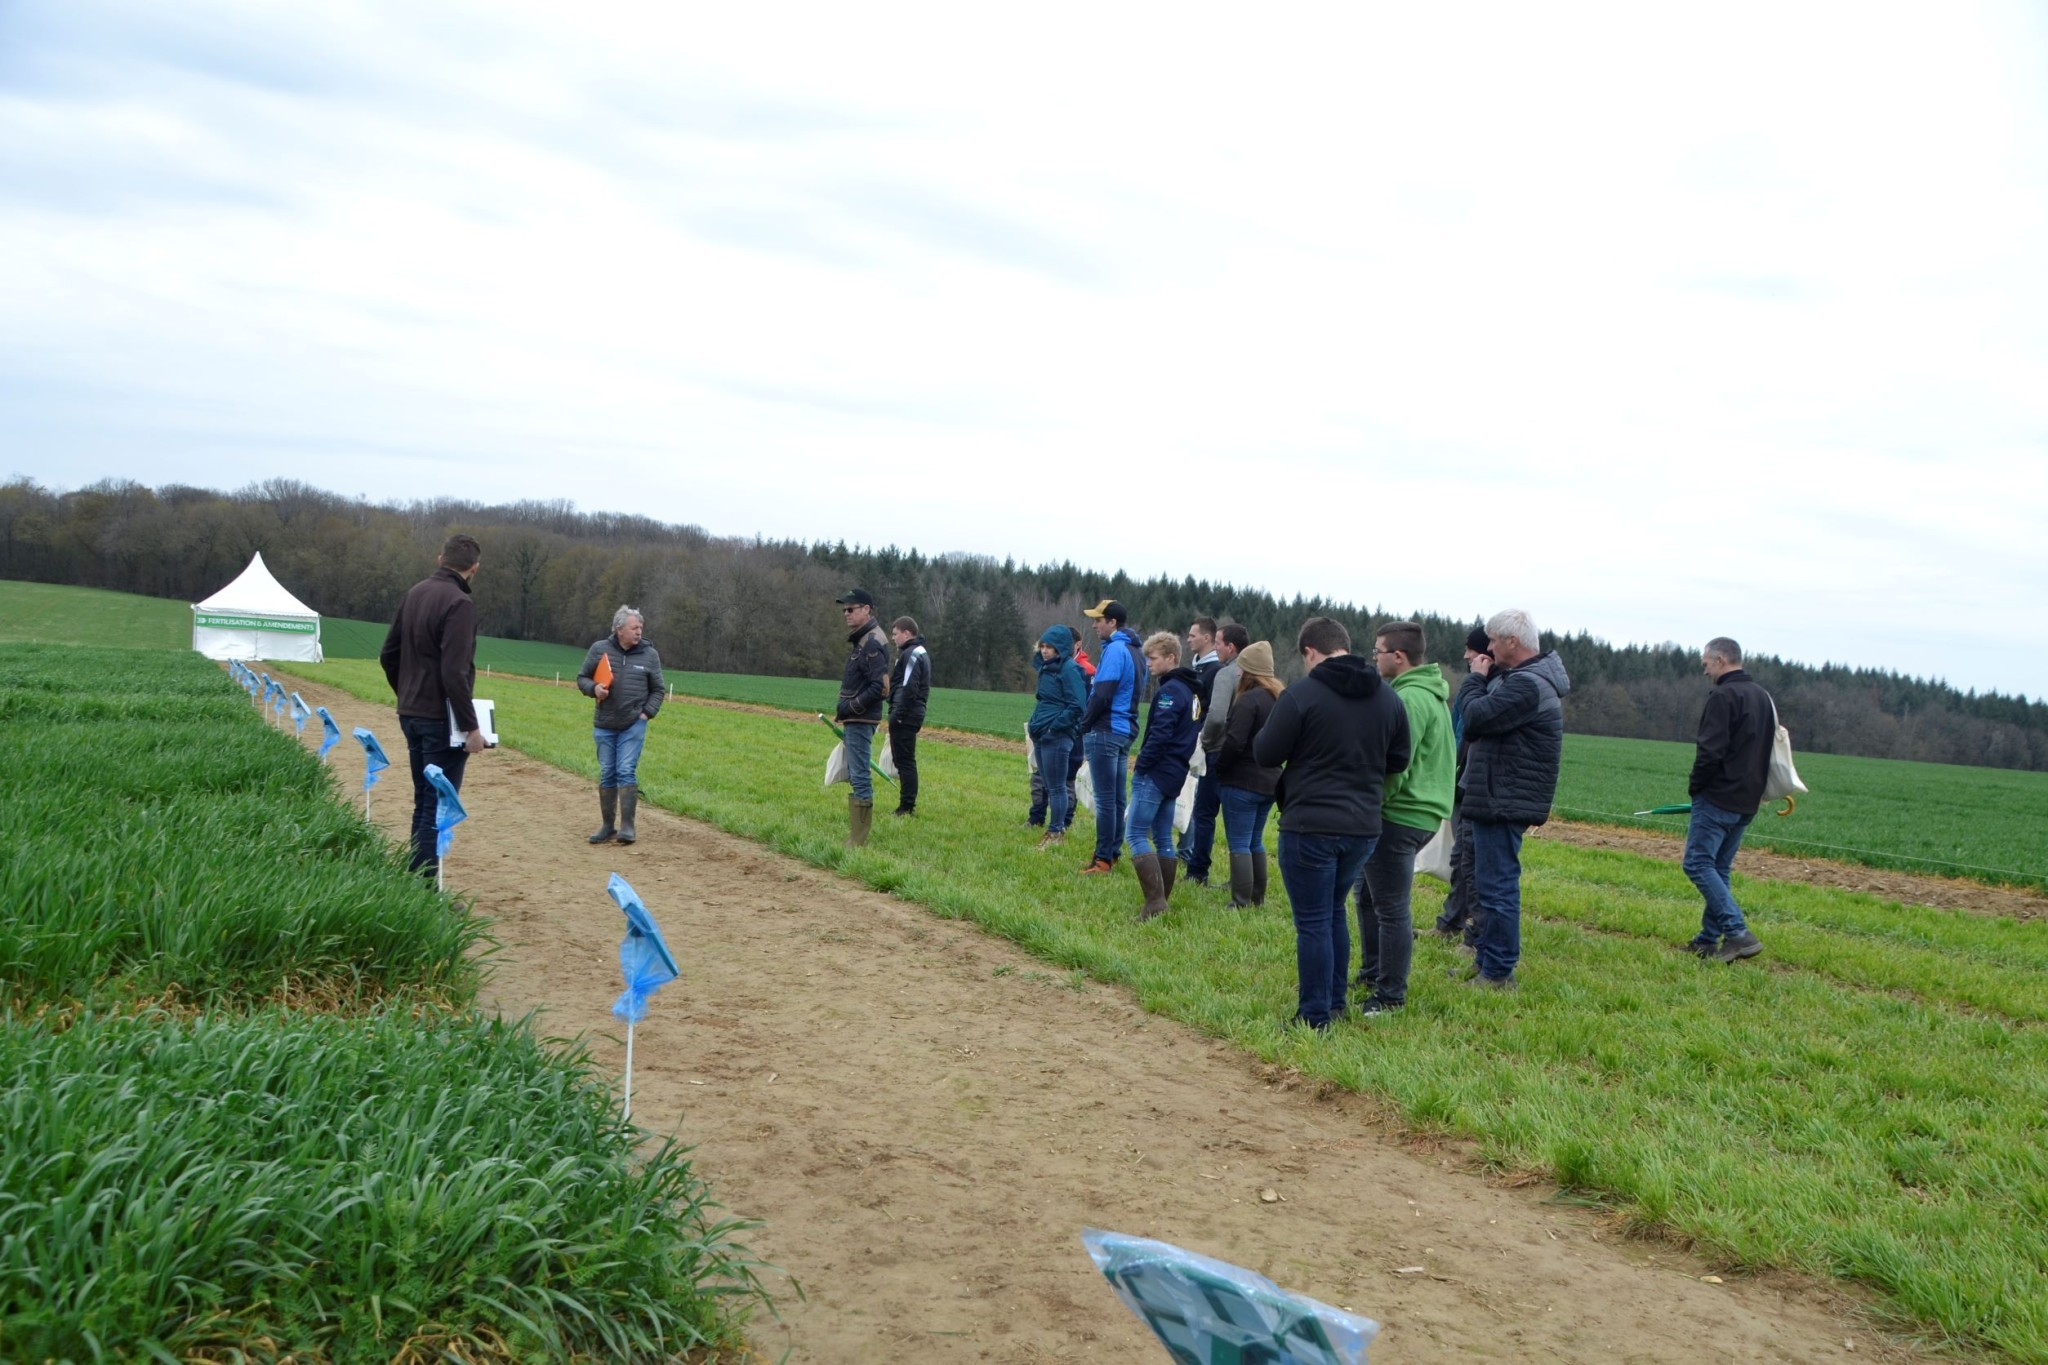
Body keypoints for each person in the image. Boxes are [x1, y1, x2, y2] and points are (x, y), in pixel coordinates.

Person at [1253, 617, 1410, 1031]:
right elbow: (1399, 760)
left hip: (1310, 824)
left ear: (1310, 652)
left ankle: (1314, 1016)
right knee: (1333, 912)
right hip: (1363, 826)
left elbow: (1267, 753)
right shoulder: (1388, 699)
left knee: (1313, 923)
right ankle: (1335, 1003)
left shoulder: (1302, 695)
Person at [1455, 608, 1571, 990]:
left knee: (1498, 885)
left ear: (1512, 642)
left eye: (1491, 640)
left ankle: (1500, 971)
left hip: (1505, 797)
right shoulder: (1523, 679)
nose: (1486, 648)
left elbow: (1474, 718)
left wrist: (1475, 679)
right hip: (1499, 793)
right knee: (1489, 883)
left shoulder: (1527, 685)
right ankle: (1487, 958)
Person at [1352, 622, 1455, 1013]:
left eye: (1378, 650)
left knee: (1391, 907)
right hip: (1420, 812)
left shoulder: (1410, 699)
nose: (1374, 656)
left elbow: (1397, 764)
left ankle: (1389, 996)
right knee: (1366, 895)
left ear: (1399, 656)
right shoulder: (1430, 694)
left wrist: (1371, 803)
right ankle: (1371, 974)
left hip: (1400, 813)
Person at [379, 533, 487, 879]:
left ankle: (415, 877)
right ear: (474, 568)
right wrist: (471, 728)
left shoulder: (414, 593)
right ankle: (426, 888)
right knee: (437, 805)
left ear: (440, 558)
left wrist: (407, 693)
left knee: (423, 800)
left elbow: (388, 655)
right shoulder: (460, 604)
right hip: (441, 720)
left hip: (410, 714)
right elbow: (454, 672)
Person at [1683, 637, 1775, 963]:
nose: (1704, 669)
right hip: (1748, 800)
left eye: (1706, 663)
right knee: (1718, 868)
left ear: (1721, 660)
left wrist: (1696, 787)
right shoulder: (1762, 697)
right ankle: (1708, 940)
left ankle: (1738, 934)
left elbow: (1710, 752)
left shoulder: (1724, 696)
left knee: (1696, 863)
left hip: (1719, 796)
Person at [576, 605, 667, 845]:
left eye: (640, 628)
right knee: (608, 772)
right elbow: (581, 678)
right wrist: (593, 689)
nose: (639, 632)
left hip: (633, 723)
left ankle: (628, 827)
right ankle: (607, 827)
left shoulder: (650, 655)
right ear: (619, 629)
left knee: (626, 770)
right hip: (604, 723)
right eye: (634, 627)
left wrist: (647, 713)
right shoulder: (599, 650)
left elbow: (658, 689)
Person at [1128, 632, 1201, 920]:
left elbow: (1160, 734)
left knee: (1134, 833)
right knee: (1163, 837)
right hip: (1176, 773)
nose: (1148, 663)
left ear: (1171, 658)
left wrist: (1142, 764)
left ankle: (1155, 902)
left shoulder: (1171, 692)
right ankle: (1160, 902)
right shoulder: (1192, 691)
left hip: (1157, 771)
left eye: (1153, 658)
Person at [1077, 599, 1146, 875]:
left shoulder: (1116, 650)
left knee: (1106, 801)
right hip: (1124, 731)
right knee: (1117, 799)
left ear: (1112, 623)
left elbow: (1102, 692)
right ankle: (1112, 854)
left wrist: (1085, 724)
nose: (1094, 625)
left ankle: (1102, 860)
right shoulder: (1135, 650)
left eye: (1098, 620)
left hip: (1106, 731)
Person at [1434, 626, 1493, 945]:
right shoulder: (1473, 687)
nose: (1466, 655)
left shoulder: (1487, 688)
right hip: (1460, 781)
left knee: (1474, 863)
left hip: (1477, 787)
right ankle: (1450, 922)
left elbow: (1470, 724)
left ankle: (1477, 933)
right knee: (1460, 857)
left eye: (1471, 649)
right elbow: (1457, 734)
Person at [1212, 638, 1281, 908]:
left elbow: (1235, 742)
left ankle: (1239, 901)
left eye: (1241, 668)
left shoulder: (1248, 701)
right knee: (1255, 841)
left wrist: (1220, 767)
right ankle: (1257, 898)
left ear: (1249, 672)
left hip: (1242, 781)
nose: (1237, 672)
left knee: (1239, 842)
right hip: (1270, 781)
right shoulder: (1279, 699)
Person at [834, 587, 891, 847]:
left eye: (851, 609)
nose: (846, 614)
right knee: (856, 772)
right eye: (844, 609)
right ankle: (856, 836)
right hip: (857, 718)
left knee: (859, 775)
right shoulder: (864, 639)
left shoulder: (871, 642)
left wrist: (851, 707)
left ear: (866, 610)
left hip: (861, 719)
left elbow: (880, 687)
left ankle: (858, 840)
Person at [1026, 625, 1088, 849]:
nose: (1044, 651)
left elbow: (1078, 705)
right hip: (1041, 734)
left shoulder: (1069, 669)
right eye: (1042, 646)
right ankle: (1053, 829)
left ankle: (1055, 832)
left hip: (1057, 736)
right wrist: (1035, 727)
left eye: (1049, 647)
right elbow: (1044, 700)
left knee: (1057, 787)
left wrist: (1055, 727)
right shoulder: (1046, 668)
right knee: (1048, 784)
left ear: (1060, 648)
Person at [1179, 617, 1225, 888]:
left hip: (1204, 748)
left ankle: (1194, 860)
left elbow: (1209, 711)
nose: (1188, 639)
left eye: (1192, 635)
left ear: (1207, 638)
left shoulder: (1215, 671)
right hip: (1191, 743)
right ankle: (1186, 850)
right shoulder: (1196, 669)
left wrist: (1201, 737)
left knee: (1200, 807)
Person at [888, 617, 931, 817]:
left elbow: (908, 687)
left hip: (906, 714)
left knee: (905, 761)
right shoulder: (912, 652)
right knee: (902, 760)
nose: (893, 638)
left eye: (895, 633)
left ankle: (906, 807)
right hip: (908, 713)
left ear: (907, 633)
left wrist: (898, 715)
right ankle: (906, 804)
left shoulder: (913, 653)